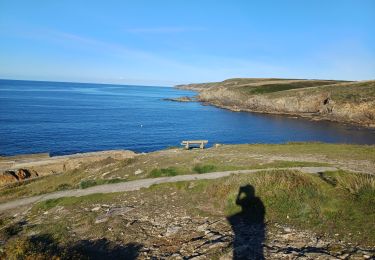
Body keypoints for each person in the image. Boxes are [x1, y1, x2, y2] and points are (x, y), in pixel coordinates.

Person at [227, 184, 266, 259]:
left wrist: (239, 193)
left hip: (249, 222)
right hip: (255, 223)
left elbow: (237, 201)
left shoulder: (248, 200)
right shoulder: (257, 200)